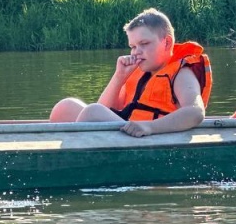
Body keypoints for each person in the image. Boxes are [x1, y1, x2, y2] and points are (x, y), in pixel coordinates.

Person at [48, 8, 212, 136]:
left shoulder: (181, 73)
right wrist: (119, 77)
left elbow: (196, 112)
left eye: (144, 43)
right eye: (133, 46)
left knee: (92, 112)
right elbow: (103, 109)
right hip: (128, 133)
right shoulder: (139, 73)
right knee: (66, 107)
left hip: (152, 136)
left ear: (167, 42)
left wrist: (149, 127)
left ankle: (71, 161)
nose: (136, 52)